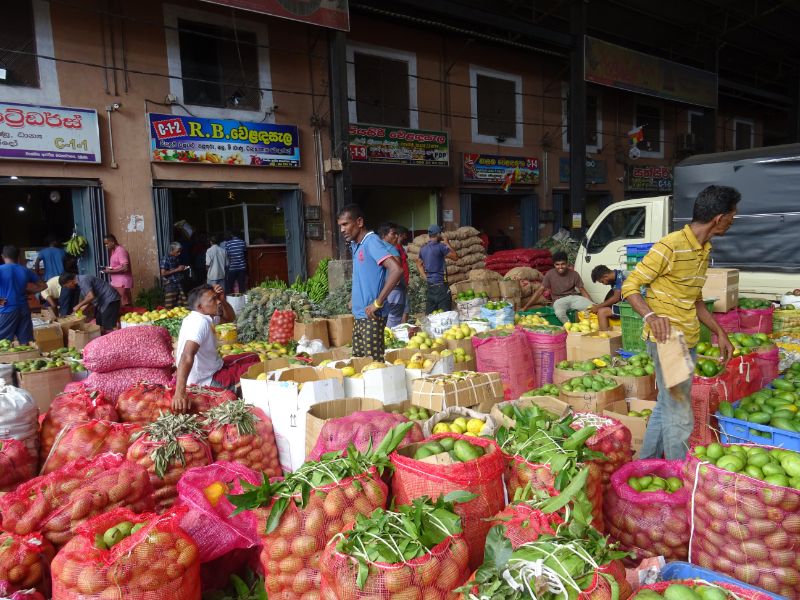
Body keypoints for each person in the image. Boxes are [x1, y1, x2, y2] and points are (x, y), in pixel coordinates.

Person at [621, 185, 739, 461]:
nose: (734, 220)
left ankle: (647, 462)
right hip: (669, 341)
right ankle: (677, 473)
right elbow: (630, 286)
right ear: (719, 218)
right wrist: (650, 315)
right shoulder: (670, 246)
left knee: (667, 404)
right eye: (733, 215)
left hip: (689, 339)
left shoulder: (702, 251)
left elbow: (695, 300)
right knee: (680, 414)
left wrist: (720, 333)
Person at [172, 284, 259, 411]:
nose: (217, 302)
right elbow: (187, 355)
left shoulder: (205, 317)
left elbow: (230, 318)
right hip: (206, 379)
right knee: (257, 370)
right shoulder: (199, 323)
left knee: (253, 357)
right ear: (200, 307)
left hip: (215, 366)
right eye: (213, 299)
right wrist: (179, 392)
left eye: (217, 298)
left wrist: (222, 300)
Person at [337, 204, 402, 360]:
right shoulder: (356, 245)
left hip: (372, 316)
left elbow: (396, 270)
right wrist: (354, 297)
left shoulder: (371, 242)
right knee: (360, 363)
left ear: (359, 222)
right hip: (360, 316)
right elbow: (364, 274)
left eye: (345, 224)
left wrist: (377, 303)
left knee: (374, 366)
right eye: (340, 226)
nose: (342, 230)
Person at [0, 246, 45, 343]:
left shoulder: (1, 269)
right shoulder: (25, 270)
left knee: (3, 342)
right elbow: (43, 286)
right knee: (26, 341)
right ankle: (27, 357)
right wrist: (29, 292)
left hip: (7, 308)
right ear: (18, 257)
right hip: (24, 308)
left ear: (3, 256)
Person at [417, 224, 458, 314]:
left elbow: (419, 265)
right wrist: (448, 243)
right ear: (438, 234)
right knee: (445, 315)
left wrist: (426, 277)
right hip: (441, 286)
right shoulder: (441, 247)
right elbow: (455, 257)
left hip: (430, 285)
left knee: (431, 315)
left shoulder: (423, 249)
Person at [541, 251, 592, 323]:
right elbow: (540, 290)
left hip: (573, 298)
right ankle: (570, 327)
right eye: (557, 264)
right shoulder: (550, 274)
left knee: (591, 307)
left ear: (567, 263)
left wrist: (591, 303)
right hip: (559, 300)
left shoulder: (574, 274)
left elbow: (582, 290)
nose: (560, 267)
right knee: (559, 313)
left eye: (563, 264)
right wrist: (525, 307)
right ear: (554, 265)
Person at [378, 222, 407, 328]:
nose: (396, 236)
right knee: (394, 321)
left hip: (381, 291)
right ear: (384, 235)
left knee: (384, 319)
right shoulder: (392, 249)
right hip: (395, 289)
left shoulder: (377, 248)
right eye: (393, 234)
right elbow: (397, 271)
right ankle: (390, 341)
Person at [589, 265, 626, 330]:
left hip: (630, 307)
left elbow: (616, 298)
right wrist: (600, 305)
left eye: (602, 281)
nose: (603, 284)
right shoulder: (616, 276)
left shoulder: (621, 277)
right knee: (602, 308)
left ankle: (605, 337)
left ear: (605, 276)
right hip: (625, 304)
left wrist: (598, 306)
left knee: (602, 312)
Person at [102, 234, 133, 306]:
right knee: (118, 304)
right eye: (105, 244)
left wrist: (110, 271)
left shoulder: (121, 251)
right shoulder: (113, 251)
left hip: (122, 282)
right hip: (116, 282)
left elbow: (125, 268)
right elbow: (118, 265)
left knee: (125, 304)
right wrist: (110, 268)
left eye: (107, 243)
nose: (106, 246)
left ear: (113, 242)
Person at [160, 242, 190, 309]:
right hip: (170, 285)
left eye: (180, 252)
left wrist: (182, 268)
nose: (179, 253)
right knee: (169, 306)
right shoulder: (166, 259)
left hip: (178, 283)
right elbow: (163, 273)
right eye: (177, 252)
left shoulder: (176, 258)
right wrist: (177, 269)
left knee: (179, 306)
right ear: (171, 250)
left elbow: (176, 269)